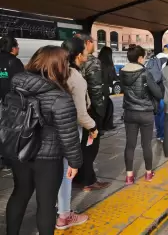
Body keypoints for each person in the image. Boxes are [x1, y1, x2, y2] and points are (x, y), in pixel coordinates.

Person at [5, 46, 82, 235]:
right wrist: (75, 162)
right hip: (48, 157)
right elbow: (68, 135)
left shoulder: (16, 87)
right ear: (57, 66)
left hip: (19, 150)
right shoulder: (60, 97)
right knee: (46, 203)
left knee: (19, 194)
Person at [55, 37, 98, 230]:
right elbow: (81, 113)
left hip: (51, 129)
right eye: (86, 52)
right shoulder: (74, 76)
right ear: (79, 55)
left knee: (55, 171)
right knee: (67, 172)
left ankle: (56, 207)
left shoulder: (55, 70)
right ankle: (64, 215)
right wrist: (93, 127)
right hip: (70, 129)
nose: (88, 55)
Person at [120, 45, 162, 185]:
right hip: (145, 113)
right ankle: (149, 173)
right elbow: (158, 93)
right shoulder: (145, 73)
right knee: (146, 145)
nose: (144, 60)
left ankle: (129, 176)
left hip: (129, 113)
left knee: (130, 145)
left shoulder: (122, 72)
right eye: (143, 57)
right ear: (139, 58)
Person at [73, 33, 110, 192]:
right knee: (90, 146)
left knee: (78, 145)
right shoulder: (92, 61)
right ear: (88, 43)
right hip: (89, 110)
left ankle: (78, 177)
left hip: (71, 109)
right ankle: (88, 180)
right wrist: (100, 112)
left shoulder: (67, 61)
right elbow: (96, 89)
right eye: (92, 42)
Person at [0, 35, 24, 171]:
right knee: (9, 132)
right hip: (10, 104)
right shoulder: (14, 62)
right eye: (17, 46)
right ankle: (9, 160)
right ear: (13, 48)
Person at [154, 44, 168, 142]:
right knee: (164, 113)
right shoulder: (167, 61)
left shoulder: (154, 59)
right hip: (164, 90)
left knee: (157, 112)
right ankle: (162, 135)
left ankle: (158, 133)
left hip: (155, 89)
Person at [98, 46, 118, 132]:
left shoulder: (98, 63)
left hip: (99, 89)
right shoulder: (108, 65)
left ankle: (106, 125)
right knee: (106, 107)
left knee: (108, 106)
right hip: (104, 89)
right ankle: (103, 126)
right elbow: (112, 77)